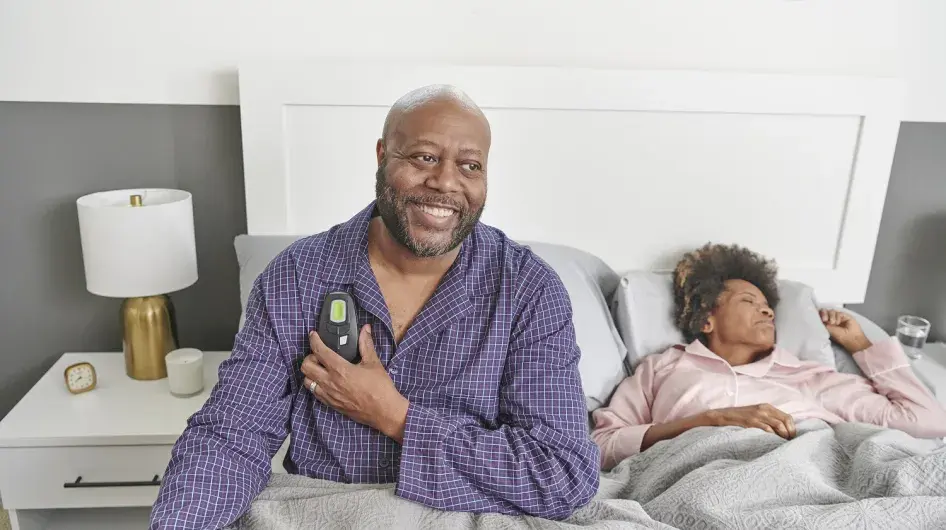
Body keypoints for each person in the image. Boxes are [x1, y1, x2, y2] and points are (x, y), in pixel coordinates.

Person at [149, 85, 600, 529]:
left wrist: (397, 416)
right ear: (383, 155)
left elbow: (561, 475)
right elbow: (231, 437)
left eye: (470, 165)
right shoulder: (297, 277)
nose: (446, 181)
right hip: (327, 511)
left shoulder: (528, 290)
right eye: (424, 156)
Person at [591, 243, 946, 471]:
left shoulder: (810, 377)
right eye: (749, 302)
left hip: (806, 473)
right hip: (687, 477)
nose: (767, 313)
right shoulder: (663, 368)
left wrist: (861, 346)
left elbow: (926, 421)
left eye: (768, 307)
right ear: (706, 319)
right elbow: (602, 445)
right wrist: (709, 420)